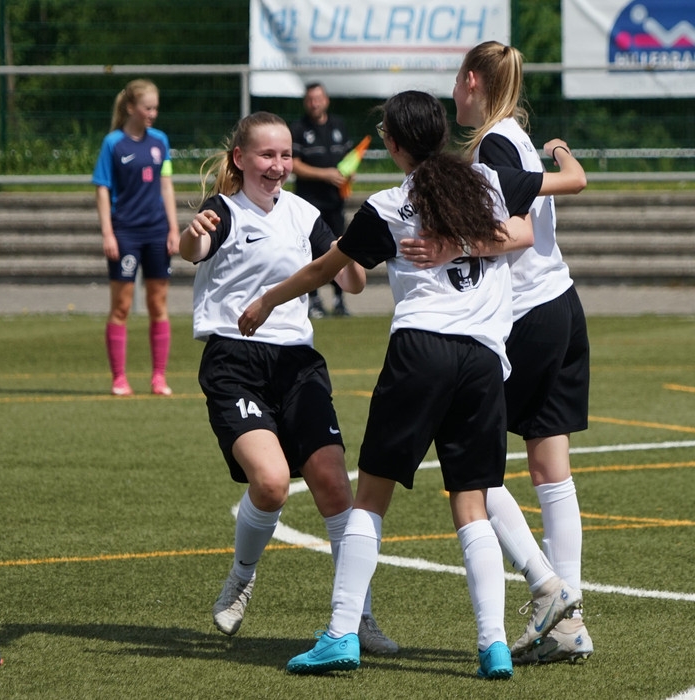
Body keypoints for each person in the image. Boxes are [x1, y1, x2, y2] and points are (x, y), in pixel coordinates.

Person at [238, 91, 585, 679]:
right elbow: (532, 223)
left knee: (371, 497)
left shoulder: (390, 203)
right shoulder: (487, 183)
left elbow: (327, 270)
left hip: (420, 352)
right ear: (442, 134)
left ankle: (342, 632)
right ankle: (493, 646)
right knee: (471, 502)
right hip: (482, 361)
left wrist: (268, 300)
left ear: (394, 145)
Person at [179, 111, 398, 655]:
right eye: (266, 155)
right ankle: (242, 576)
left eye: (284, 155)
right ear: (240, 159)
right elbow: (192, 251)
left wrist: (350, 255)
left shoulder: (304, 213)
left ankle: (357, 616)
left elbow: (353, 280)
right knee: (273, 482)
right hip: (235, 363)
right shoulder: (221, 211)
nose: (277, 166)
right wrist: (191, 234)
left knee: (333, 486)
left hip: (297, 365)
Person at [443, 40, 593, 665]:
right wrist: (560, 152)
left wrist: (447, 240)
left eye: (456, 80)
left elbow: (514, 230)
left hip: (528, 314)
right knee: (549, 464)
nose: (453, 92)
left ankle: (549, 591)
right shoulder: (517, 138)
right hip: (562, 303)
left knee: (469, 460)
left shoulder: (497, 144)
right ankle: (569, 620)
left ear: (472, 80)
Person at [93, 79, 180, 397]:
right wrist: (108, 233)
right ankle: (119, 378)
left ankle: (159, 377)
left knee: (159, 303)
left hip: (157, 231)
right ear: (131, 108)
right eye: (147, 107)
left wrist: (173, 229)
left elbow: (166, 185)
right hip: (125, 233)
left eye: (155, 108)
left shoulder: (160, 141)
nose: (152, 114)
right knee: (122, 306)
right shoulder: (113, 143)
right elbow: (102, 189)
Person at [290, 82, 353, 319]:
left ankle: (339, 300)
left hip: (335, 202)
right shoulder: (298, 128)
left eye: (318, 98)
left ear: (326, 100)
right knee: (310, 252)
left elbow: (349, 158)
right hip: (309, 203)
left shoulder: (339, 126)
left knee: (339, 249)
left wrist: (349, 174)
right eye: (310, 99)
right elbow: (294, 165)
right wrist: (325, 174)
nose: (315, 103)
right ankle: (313, 300)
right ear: (306, 103)